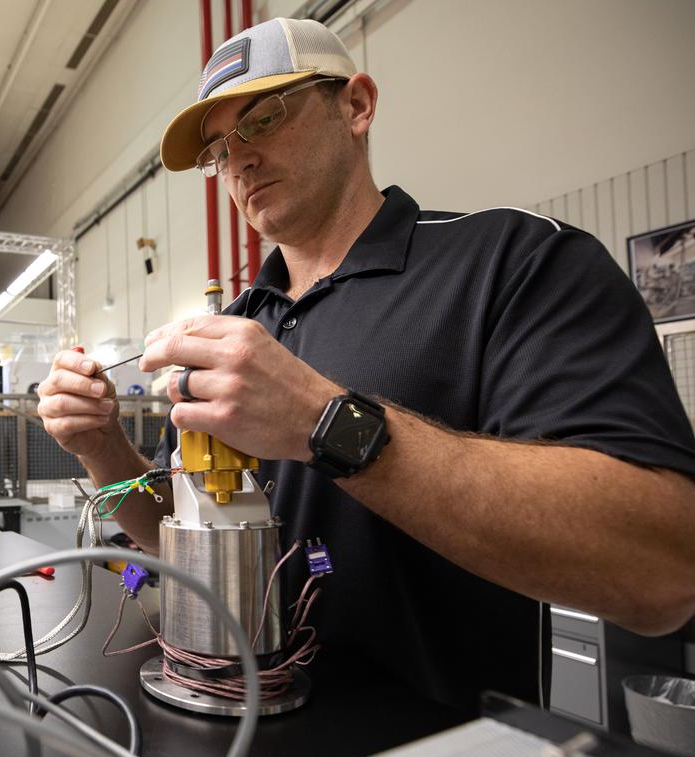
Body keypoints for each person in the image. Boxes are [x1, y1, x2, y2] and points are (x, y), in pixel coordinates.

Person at [36, 17, 695, 710]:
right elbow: (183, 527)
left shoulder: (510, 264)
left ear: (355, 105)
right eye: (219, 150)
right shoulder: (231, 327)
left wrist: (327, 423)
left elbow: (663, 572)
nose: (239, 163)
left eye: (261, 121)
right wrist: (102, 446)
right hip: (236, 745)